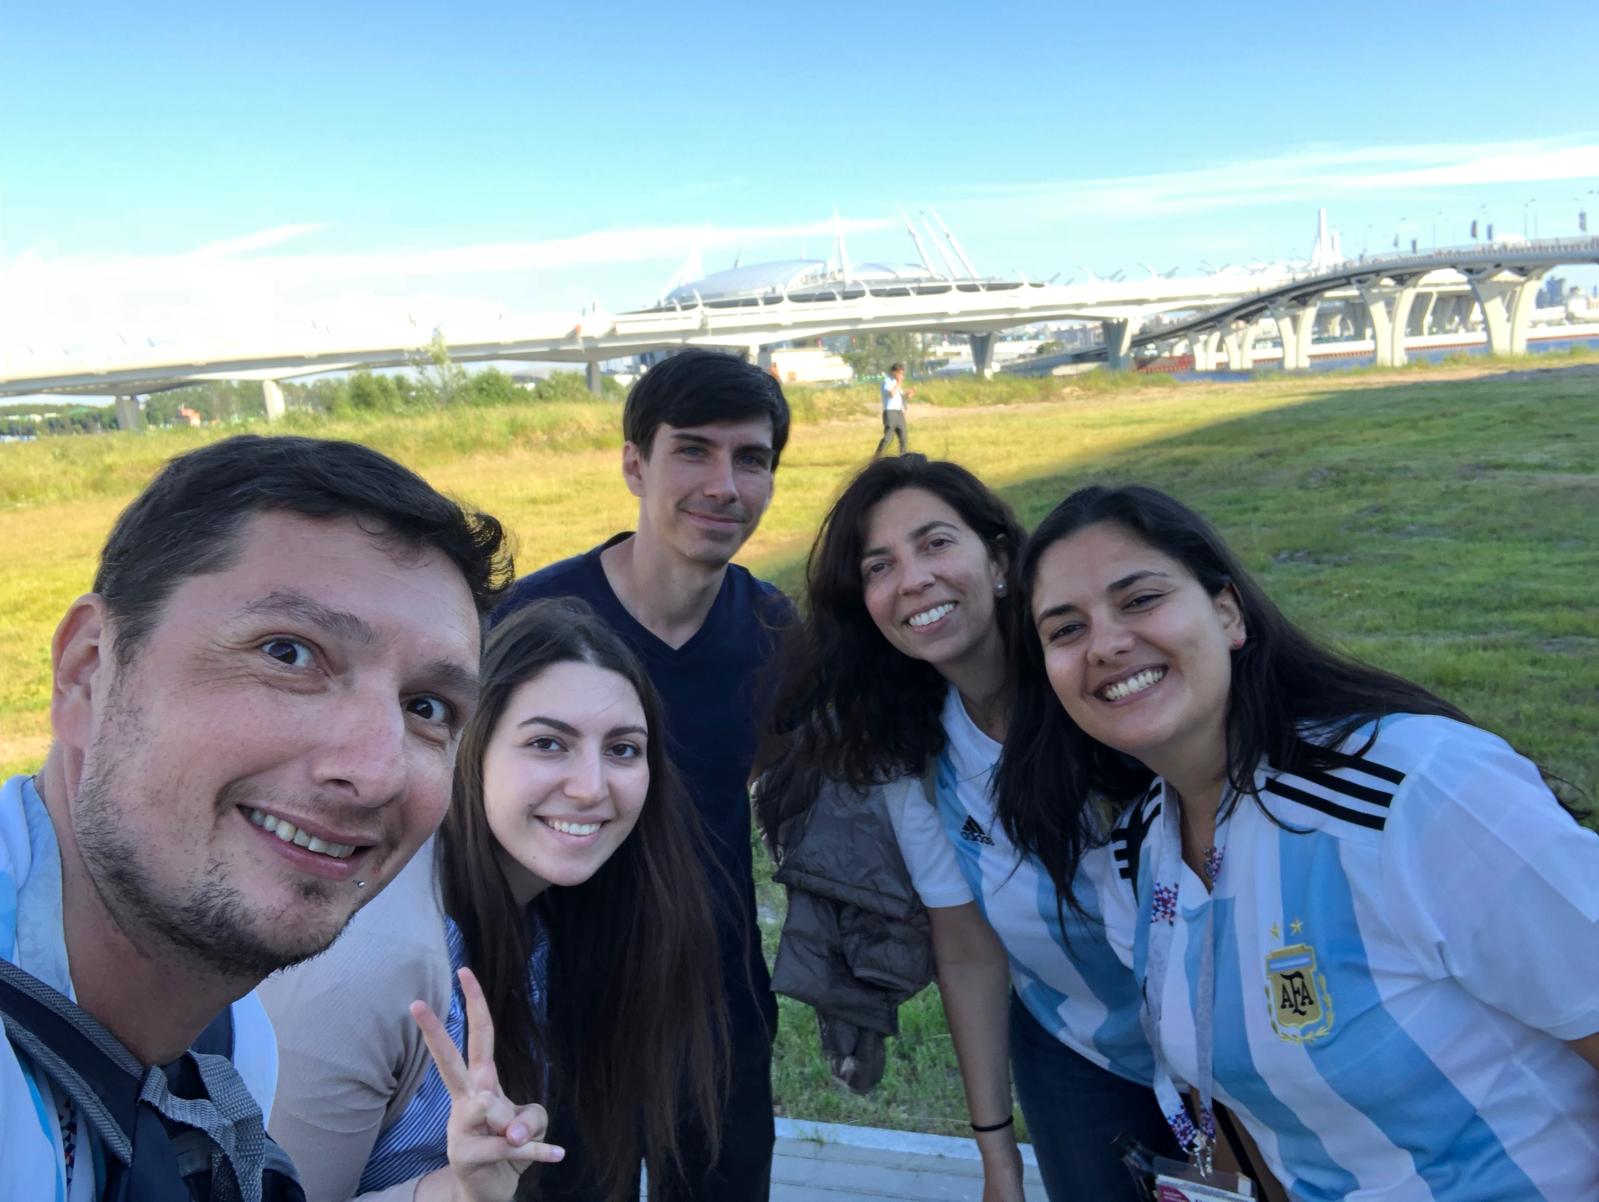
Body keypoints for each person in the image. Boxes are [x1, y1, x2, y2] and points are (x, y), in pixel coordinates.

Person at [995, 483, 1599, 1199]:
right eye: (1065, 630)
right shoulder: (1134, 859)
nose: (1106, 644)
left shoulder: (1414, 791)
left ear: (1226, 614)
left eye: (1139, 599)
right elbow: (1243, 1112)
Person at [0, 434, 511, 1200]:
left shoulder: (235, 1046)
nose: (375, 771)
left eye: (427, 708)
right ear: (88, 671)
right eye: (288, 654)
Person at [761, 454, 1175, 1202]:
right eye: (878, 566)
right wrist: (997, 1162)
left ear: (999, 561)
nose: (912, 578)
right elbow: (969, 952)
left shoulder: (1103, 686)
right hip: (1075, 1047)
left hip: (1231, 1042)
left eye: (934, 543)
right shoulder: (911, 751)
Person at [259, 599, 728, 1202]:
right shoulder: (367, 963)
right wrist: (456, 1192)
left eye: (622, 749)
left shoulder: (556, 909)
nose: (591, 788)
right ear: (469, 751)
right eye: (548, 744)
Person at [494, 348, 791, 1201]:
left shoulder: (774, 630)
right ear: (634, 463)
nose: (723, 486)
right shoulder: (534, 623)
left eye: (751, 458)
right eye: (691, 450)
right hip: (557, 993)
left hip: (717, 992)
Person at [875, 362, 913, 456]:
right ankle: (877, 456)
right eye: (900, 373)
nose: (901, 376)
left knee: (903, 437)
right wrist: (899, 383)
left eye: (902, 374)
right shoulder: (887, 381)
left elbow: (900, 397)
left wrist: (907, 395)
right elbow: (891, 394)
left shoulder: (896, 383)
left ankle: (903, 457)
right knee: (888, 437)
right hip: (890, 412)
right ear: (893, 372)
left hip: (899, 412)